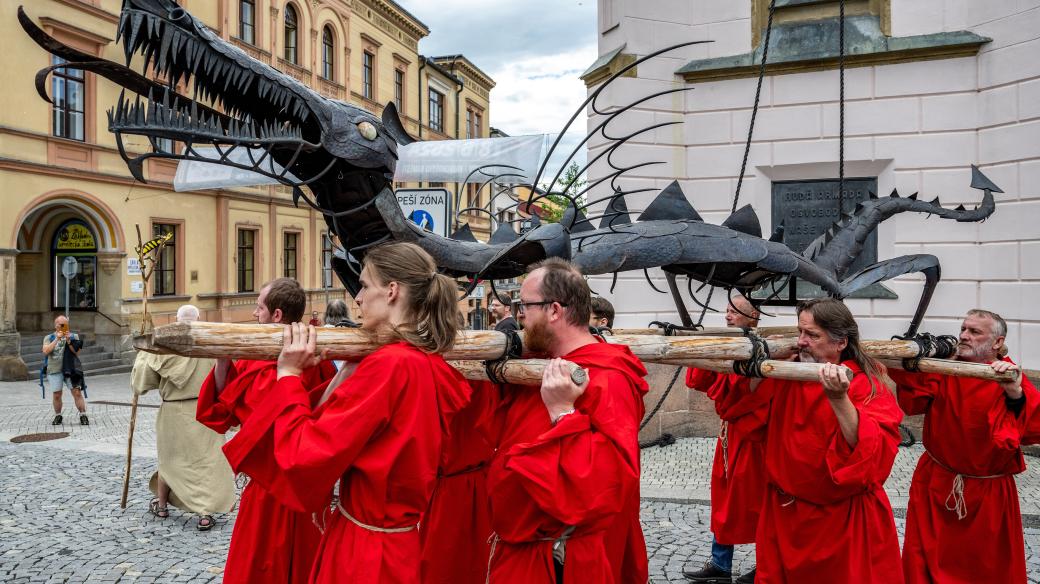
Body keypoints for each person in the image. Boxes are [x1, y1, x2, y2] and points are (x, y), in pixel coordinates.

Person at [221, 242, 473, 584]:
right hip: (396, 544)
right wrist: (343, 376)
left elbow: (304, 454)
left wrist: (289, 377)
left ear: (392, 291)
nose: (358, 297)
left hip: (366, 555)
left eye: (366, 286)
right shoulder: (423, 361)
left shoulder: (391, 365)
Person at [485, 258, 649, 584]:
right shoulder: (544, 362)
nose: (520, 316)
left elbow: (607, 487)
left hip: (557, 561)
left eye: (525, 306)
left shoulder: (607, 378)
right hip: (521, 553)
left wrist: (563, 412)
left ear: (554, 311)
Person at [747, 298, 904, 583]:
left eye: (812, 335)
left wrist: (838, 398)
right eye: (800, 332)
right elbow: (742, 410)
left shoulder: (867, 385)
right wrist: (758, 370)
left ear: (840, 342)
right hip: (785, 517)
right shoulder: (788, 373)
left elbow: (873, 455)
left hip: (840, 524)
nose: (802, 341)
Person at [196, 278, 336, 584]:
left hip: (295, 483)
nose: (254, 314)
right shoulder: (253, 353)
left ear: (276, 315)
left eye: (259, 307)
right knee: (258, 565)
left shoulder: (314, 360)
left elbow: (240, 413)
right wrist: (222, 360)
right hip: (266, 487)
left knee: (300, 564)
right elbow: (221, 413)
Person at [891, 309, 1038, 583]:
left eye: (974, 332)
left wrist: (1014, 393)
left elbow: (1028, 428)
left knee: (985, 567)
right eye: (963, 329)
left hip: (986, 492)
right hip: (936, 482)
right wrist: (910, 357)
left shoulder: (1010, 375)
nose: (964, 336)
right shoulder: (944, 366)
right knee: (925, 560)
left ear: (997, 342)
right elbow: (913, 398)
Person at [683, 295, 765, 584]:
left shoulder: (766, 347)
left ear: (753, 317)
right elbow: (697, 381)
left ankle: (765, 565)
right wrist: (706, 348)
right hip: (730, 435)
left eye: (735, 312)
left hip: (756, 440)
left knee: (757, 501)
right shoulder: (726, 342)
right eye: (727, 311)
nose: (728, 316)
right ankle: (720, 564)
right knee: (722, 499)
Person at [131, 305, 235, 531]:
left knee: (169, 461)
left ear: (176, 322)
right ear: (199, 319)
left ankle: (161, 505)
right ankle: (205, 514)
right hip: (205, 411)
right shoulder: (209, 343)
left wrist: (143, 355)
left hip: (174, 412)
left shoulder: (165, 348)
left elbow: (142, 383)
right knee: (204, 463)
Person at [42, 315, 88, 426]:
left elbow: (76, 353)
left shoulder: (74, 336)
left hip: (71, 369)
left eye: (65, 325)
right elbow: (46, 351)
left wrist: (68, 341)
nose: (63, 327)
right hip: (54, 369)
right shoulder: (49, 337)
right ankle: (58, 415)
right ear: (56, 325)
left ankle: (83, 415)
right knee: (57, 394)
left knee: (77, 392)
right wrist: (57, 339)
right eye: (61, 325)